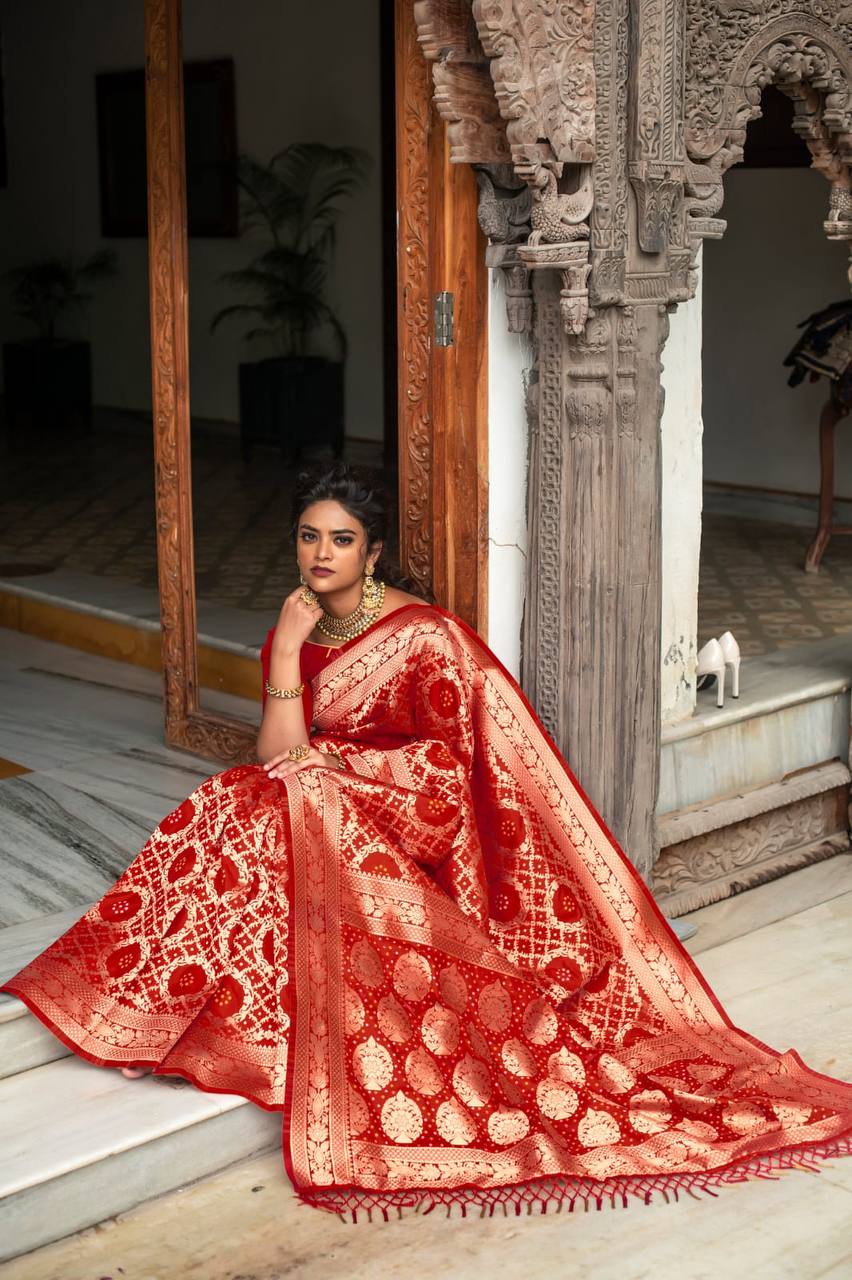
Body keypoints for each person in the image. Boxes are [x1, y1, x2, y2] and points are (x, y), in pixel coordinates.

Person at [3, 461, 851, 1219]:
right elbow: (277, 754)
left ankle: (174, 1016)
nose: (321, 554)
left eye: (341, 540)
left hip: (413, 820)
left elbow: (453, 777)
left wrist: (343, 772)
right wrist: (289, 654)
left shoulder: (426, 637)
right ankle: (155, 1009)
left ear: (372, 553)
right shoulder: (295, 628)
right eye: (308, 537)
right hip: (324, 797)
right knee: (234, 804)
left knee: (273, 805)